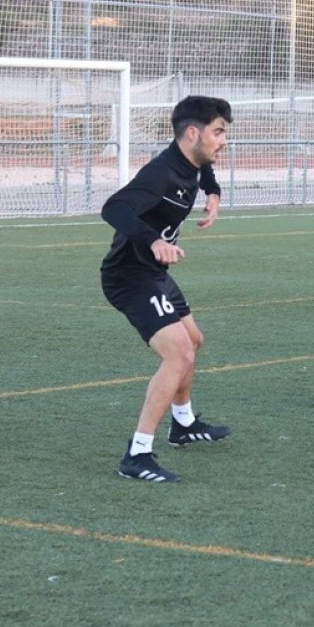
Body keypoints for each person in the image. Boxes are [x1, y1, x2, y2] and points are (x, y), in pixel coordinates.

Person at [101, 95, 234, 483]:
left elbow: (203, 171)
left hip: (155, 273)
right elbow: (114, 207)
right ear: (193, 133)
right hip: (130, 275)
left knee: (194, 341)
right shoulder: (160, 173)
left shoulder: (191, 160)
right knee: (178, 355)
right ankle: (137, 454)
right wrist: (153, 239)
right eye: (218, 132)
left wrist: (214, 195)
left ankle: (184, 424)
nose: (223, 140)